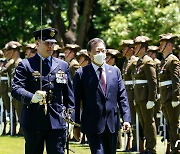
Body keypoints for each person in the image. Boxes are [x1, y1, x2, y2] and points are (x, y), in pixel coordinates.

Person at [11, 28, 75, 154]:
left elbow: (69, 94)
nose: (50, 46)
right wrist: (31, 97)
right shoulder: (26, 65)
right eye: (47, 43)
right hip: (34, 121)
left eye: (52, 43)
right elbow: (16, 88)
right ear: (37, 43)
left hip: (57, 121)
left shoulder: (62, 65)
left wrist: (71, 117)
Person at [73, 38, 131, 154]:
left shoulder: (115, 71)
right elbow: (76, 100)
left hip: (112, 123)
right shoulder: (81, 73)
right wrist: (76, 125)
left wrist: (126, 119)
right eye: (97, 51)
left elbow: (122, 96)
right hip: (92, 123)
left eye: (103, 51)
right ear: (89, 54)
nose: (101, 54)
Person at [133, 36, 157, 154]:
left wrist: (151, 99)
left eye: (136, 47)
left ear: (143, 48)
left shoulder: (147, 61)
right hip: (139, 97)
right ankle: (147, 147)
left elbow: (153, 82)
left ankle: (151, 148)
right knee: (143, 123)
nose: (134, 49)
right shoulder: (139, 61)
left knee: (149, 122)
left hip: (145, 97)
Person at [158, 33, 180, 154]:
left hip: (171, 98)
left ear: (169, 45)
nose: (160, 46)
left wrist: (176, 98)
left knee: (173, 125)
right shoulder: (164, 61)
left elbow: (176, 81)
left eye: (162, 43)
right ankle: (174, 148)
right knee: (170, 126)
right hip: (165, 98)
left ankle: (176, 149)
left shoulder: (173, 60)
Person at [121, 40, 140, 152]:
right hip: (127, 93)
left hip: (132, 94)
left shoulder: (134, 61)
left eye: (125, 48)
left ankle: (136, 143)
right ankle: (130, 144)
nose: (123, 50)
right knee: (129, 119)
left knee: (134, 120)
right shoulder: (126, 62)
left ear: (131, 49)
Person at [3, 41, 23, 136]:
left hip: (20, 93)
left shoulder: (19, 63)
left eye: (8, 51)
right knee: (16, 113)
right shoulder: (13, 63)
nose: (6, 53)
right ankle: (19, 131)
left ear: (14, 51)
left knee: (21, 113)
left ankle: (23, 132)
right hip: (14, 92)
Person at [105, 48, 123, 150]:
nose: (106, 59)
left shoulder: (115, 70)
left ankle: (118, 144)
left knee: (115, 123)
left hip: (114, 100)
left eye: (108, 57)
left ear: (113, 59)